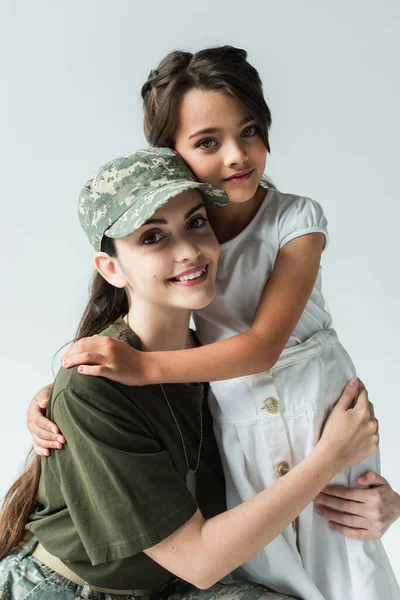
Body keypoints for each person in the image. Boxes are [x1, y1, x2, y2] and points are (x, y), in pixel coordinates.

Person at [26, 47, 400, 599]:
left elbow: (260, 355)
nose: (190, 251)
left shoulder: (210, 359)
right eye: (152, 236)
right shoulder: (116, 377)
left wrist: (377, 496)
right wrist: (62, 397)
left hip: (203, 554)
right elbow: (202, 559)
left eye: (197, 222)